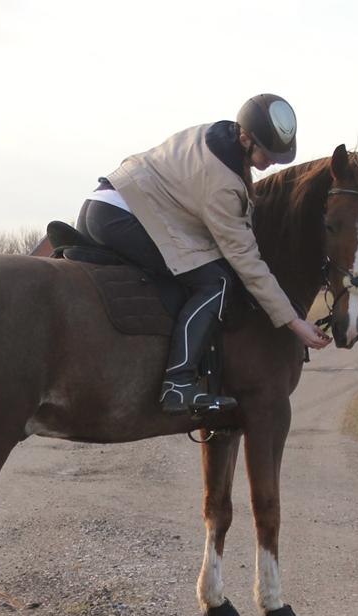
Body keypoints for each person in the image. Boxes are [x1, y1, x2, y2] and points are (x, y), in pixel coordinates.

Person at [76, 93, 332, 415]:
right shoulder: (223, 183)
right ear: (245, 137)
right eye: (267, 153)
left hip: (104, 203)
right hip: (124, 216)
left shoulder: (218, 135)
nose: (271, 163)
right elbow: (246, 261)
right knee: (216, 281)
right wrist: (294, 322)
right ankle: (178, 382)